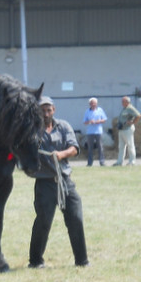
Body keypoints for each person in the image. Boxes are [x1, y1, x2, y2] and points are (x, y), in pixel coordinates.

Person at [29, 96, 89, 269]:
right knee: (43, 221)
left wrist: (62, 154)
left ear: (54, 110)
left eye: (48, 110)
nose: (46, 113)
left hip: (65, 181)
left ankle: (82, 260)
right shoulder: (32, 130)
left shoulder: (63, 126)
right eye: (42, 110)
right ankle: (35, 261)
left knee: (76, 218)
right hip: (44, 183)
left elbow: (74, 148)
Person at [113, 96, 141, 166]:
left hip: (127, 129)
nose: (122, 103)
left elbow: (138, 115)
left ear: (127, 102)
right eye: (122, 101)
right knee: (121, 146)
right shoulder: (124, 108)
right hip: (122, 129)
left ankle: (132, 161)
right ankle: (119, 162)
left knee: (130, 145)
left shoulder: (130, 108)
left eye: (123, 101)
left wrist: (133, 122)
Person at [82, 97, 108, 166]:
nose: (93, 104)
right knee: (90, 148)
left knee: (100, 147)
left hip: (98, 131)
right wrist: (90, 121)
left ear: (96, 104)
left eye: (94, 103)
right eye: (91, 103)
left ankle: (102, 162)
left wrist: (98, 121)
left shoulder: (100, 110)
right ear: (89, 104)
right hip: (90, 132)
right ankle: (90, 163)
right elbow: (84, 122)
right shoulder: (87, 111)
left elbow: (104, 119)